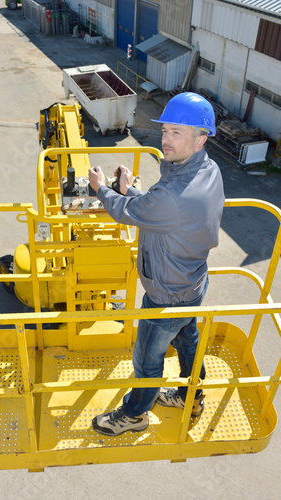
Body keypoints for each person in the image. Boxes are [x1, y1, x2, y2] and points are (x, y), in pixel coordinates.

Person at [88, 92, 225, 436]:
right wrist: (132, 189)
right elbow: (160, 210)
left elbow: (128, 211)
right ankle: (190, 396)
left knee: (147, 360)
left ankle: (134, 415)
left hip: (165, 295)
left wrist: (103, 189)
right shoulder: (208, 169)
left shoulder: (171, 195)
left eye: (177, 132)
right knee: (188, 339)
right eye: (165, 130)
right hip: (192, 283)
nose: (165, 139)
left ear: (200, 139)